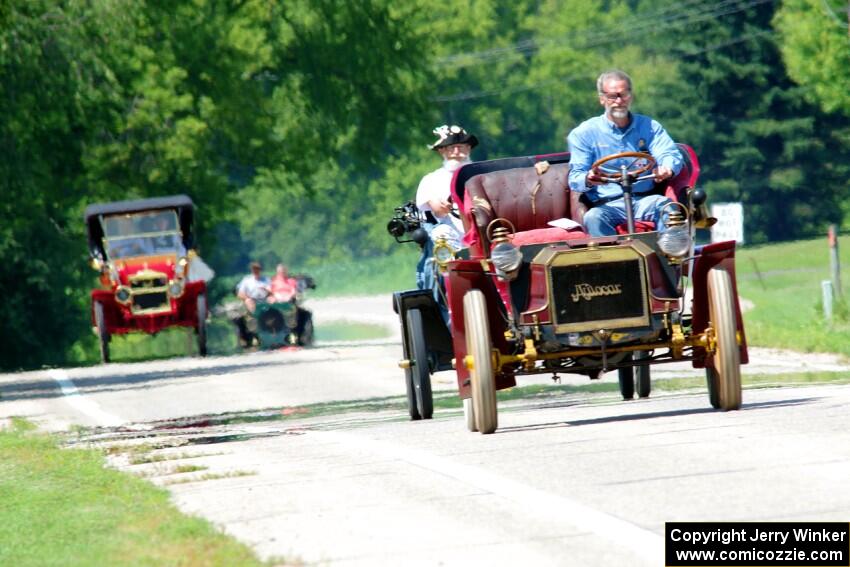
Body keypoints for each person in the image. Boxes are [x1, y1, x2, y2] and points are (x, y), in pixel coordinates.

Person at [567, 69, 683, 236]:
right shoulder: (583, 133)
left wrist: (666, 168)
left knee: (669, 209)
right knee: (593, 218)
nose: (619, 101)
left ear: (631, 96)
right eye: (612, 96)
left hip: (646, 200)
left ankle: (671, 259)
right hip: (607, 204)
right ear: (602, 99)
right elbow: (575, 177)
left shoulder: (649, 127)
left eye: (624, 95)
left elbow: (669, 154)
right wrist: (589, 178)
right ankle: (610, 262)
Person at [415, 124, 478, 250]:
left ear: (468, 148)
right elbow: (437, 210)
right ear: (442, 150)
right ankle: (449, 267)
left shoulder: (482, 174)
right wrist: (442, 207)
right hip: (451, 238)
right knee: (441, 233)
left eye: (460, 147)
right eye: (451, 148)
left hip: (483, 230)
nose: (456, 152)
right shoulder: (430, 180)